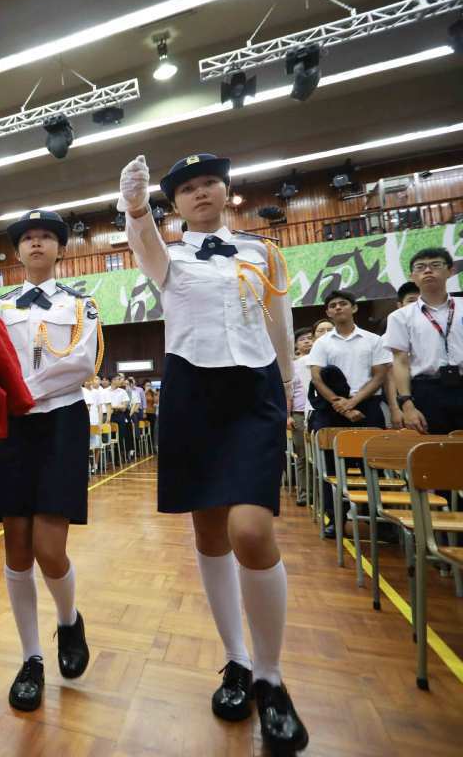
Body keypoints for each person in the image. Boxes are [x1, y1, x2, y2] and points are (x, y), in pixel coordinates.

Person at [120, 153, 307, 754]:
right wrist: (134, 207)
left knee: (251, 530)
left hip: (253, 391)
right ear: (174, 204)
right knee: (210, 535)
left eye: (209, 183)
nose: (200, 193)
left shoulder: (262, 251)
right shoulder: (166, 257)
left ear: (227, 191)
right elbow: (144, 243)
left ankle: (273, 680)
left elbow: (280, 323)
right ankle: (237, 661)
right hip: (191, 391)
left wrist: (292, 390)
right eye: (187, 189)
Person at [0, 210, 101, 712]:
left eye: (45, 237)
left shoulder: (82, 305)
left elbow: (80, 362)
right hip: (8, 425)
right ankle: (31, 658)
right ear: (16, 251)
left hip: (58, 423)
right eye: (27, 238)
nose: (35, 245)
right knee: (16, 545)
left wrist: (22, 390)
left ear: (59, 249)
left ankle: (69, 620)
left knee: (50, 548)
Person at [306, 290, 390, 539]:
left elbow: (379, 375)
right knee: (331, 469)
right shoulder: (322, 343)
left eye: (343, 304)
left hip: (367, 407)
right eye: (333, 305)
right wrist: (339, 403)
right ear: (328, 312)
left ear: (354, 308)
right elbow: (316, 376)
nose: (338, 308)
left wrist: (353, 402)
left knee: (373, 466)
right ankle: (336, 520)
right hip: (332, 410)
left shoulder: (372, 339)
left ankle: (381, 520)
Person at [385, 248, 462, 434]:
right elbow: (400, 362)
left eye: (435, 265)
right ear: (412, 276)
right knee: (434, 453)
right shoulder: (399, 317)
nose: (428, 270)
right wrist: (407, 404)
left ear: (450, 271)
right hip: (427, 390)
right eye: (420, 267)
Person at [384, 281, 421, 429]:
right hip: (407, 396)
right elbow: (390, 376)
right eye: (411, 301)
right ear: (400, 305)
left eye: (420, 300)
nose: (416, 305)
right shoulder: (386, 339)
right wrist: (396, 408)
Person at [290, 327, 314, 506]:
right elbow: (287, 392)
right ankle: (305, 493)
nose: (307, 341)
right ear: (296, 345)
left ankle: (321, 493)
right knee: (303, 456)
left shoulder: (322, 362)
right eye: (302, 339)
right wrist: (288, 414)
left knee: (320, 457)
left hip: (318, 412)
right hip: (298, 413)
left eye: (310, 338)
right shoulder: (291, 365)